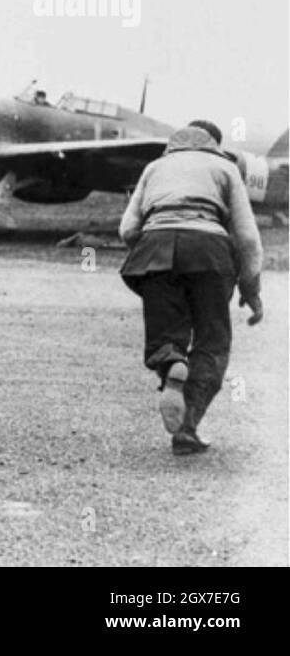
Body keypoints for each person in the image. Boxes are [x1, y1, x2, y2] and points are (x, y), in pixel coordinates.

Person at [119, 120, 264, 455]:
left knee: (166, 333)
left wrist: (153, 254)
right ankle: (188, 427)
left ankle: (171, 362)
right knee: (212, 341)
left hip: (156, 249)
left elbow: (127, 229)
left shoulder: (155, 167)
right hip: (210, 252)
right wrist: (251, 289)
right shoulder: (225, 167)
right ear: (214, 142)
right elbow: (247, 238)